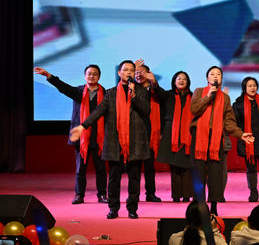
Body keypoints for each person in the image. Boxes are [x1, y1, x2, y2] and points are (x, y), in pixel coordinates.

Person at [69, 59, 150, 219]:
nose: (128, 72)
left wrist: (134, 96)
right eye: (125, 70)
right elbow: (99, 111)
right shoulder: (111, 93)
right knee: (114, 178)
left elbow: (146, 111)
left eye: (131, 70)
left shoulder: (140, 91)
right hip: (115, 141)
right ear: (119, 73)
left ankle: (132, 208)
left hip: (135, 141)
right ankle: (113, 208)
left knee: (134, 177)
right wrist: (83, 126)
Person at [33, 65, 108, 204]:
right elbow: (63, 87)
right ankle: (79, 195)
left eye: (95, 74)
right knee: (80, 169)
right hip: (81, 136)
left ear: (99, 77)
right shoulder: (77, 91)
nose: (91, 76)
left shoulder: (106, 94)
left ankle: (102, 194)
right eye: (89, 73)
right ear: (85, 76)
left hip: (99, 136)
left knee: (101, 169)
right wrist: (49, 76)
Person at [190, 66, 255, 215]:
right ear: (207, 78)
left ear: (221, 79)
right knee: (199, 173)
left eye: (218, 74)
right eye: (212, 74)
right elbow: (194, 109)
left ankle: (213, 207)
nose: (215, 76)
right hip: (199, 137)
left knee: (215, 174)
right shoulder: (199, 91)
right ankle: (198, 207)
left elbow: (229, 122)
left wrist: (240, 134)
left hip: (216, 138)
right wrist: (208, 97)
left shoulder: (225, 98)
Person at [232, 77, 259, 203]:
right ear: (244, 88)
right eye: (250, 86)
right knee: (251, 169)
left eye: (254, 85)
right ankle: (253, 192)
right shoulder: (238, 104)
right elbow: (235, 123)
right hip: (248, 141)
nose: (253, 88)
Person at [153, 71, 195, 203]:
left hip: (188, 134)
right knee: (175, 166)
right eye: (179, 78)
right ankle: (176, 195)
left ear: (188, 82)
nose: (181, 81)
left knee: (188, 166)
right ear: (174, 81)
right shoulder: (168, 95)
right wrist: (153, 81)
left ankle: (187, 195)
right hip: (171, 133)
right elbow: (157, 91)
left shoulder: (193, 96)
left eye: (184, 79)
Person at [134, 63, 162, 202]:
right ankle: (134, 195)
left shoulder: (154, 90)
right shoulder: (132, 89)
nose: (138, 75)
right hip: (136, 132)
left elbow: (162, 96)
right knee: (135, 168)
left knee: (150, 167)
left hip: (151, 132)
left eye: (142, 72)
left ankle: (150, 193)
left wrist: (154, 82)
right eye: (136, 72)